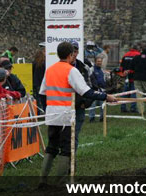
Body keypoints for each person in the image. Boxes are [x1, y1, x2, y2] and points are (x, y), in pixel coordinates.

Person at [38, 42, 117, 186]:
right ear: (70, 55)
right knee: (67, 148)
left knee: (52, 147)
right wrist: (106, 97)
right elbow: (86, 91)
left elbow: (42, 93)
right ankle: (60, 182)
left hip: (52, 115)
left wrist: (48, 108)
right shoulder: (71, 71)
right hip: (66, 115)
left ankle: (42, 180)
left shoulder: (49, 70)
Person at [119, 43, 141, 113]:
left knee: (124, 93)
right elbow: (139, 66)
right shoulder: (138, 55)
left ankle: (123, 107)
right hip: (135, 76)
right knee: (134, 93)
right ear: (137, 49)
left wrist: (123, 72)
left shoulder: (125, 55)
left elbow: (121, 66)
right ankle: (133, 108)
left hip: (126, 77)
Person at [89, 56, 107, 122]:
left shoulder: (102, 70)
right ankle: (92, 118)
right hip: (93, 90)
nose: (99, 62)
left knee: (102, 104)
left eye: (100, 61)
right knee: (93, 104)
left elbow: (104, 80)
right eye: (98, 61)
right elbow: (89, 79)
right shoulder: (91, 69)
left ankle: (102, 118)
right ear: (95, 62)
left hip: (102, 90)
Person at [33, 43, 46, 112]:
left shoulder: (35, 62)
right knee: (43, 98)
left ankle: (37, 111)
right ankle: (43, 111)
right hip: (42, 82)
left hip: (36, 82)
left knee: (37, 98)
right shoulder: (45, 63)